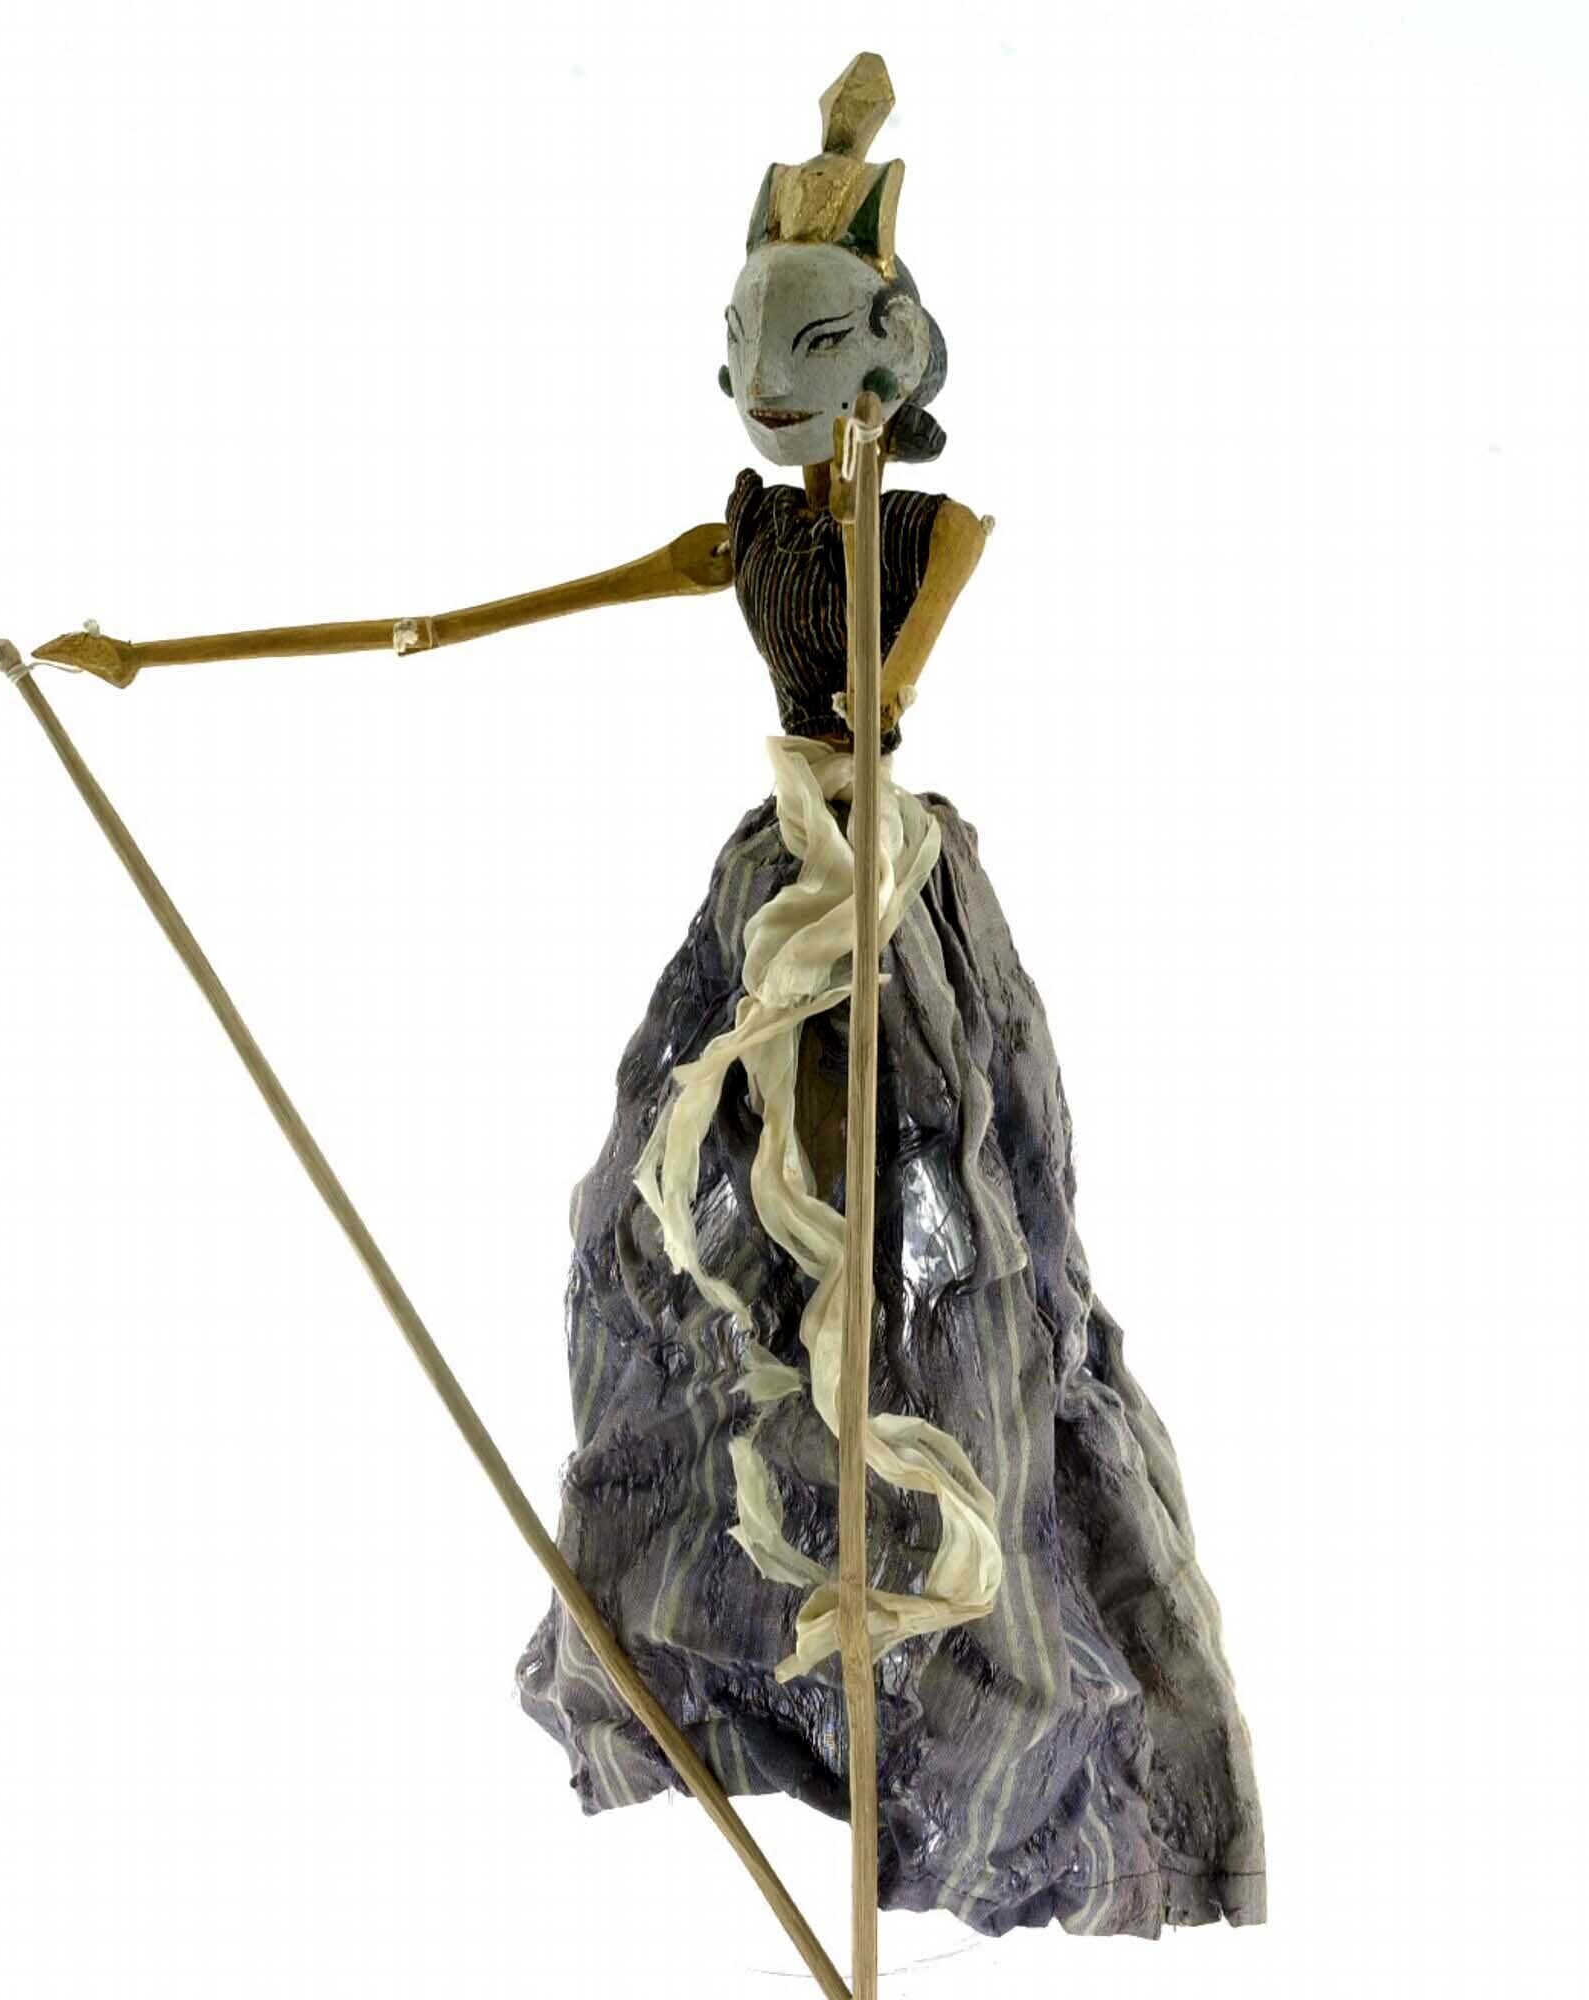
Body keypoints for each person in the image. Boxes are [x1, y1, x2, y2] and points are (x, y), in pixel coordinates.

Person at [511, 54, 1266, 1941]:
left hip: (884, 902)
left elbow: (890, 662)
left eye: (810, 357)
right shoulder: (749, 529)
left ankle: (953, 1656)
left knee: (940, 1271)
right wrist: (171, 657)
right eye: (744, 358)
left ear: (884, 364)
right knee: (655, 1224)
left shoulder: (929, 533)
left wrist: (881, 621)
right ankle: (743, 1612)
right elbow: (520, 608)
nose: (762, 396)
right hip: (776, 888)